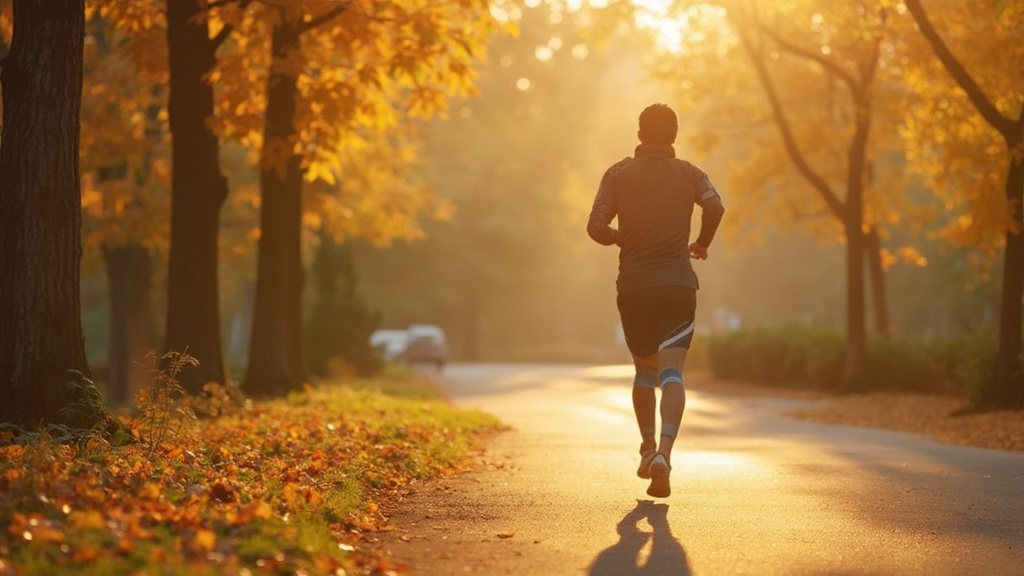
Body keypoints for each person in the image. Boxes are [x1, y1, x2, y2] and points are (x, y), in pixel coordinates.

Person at [587, 103, 725, 498]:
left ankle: (646, 450)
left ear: (639, 132)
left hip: (633, 288)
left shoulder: (617, 174)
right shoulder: (691, 174)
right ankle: (665, 453)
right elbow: (715, 205)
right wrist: (701, 243)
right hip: (678, 286)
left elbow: (595, 226)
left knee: (644, 374)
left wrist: (620, 238)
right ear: (675, 134)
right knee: (672, 375)